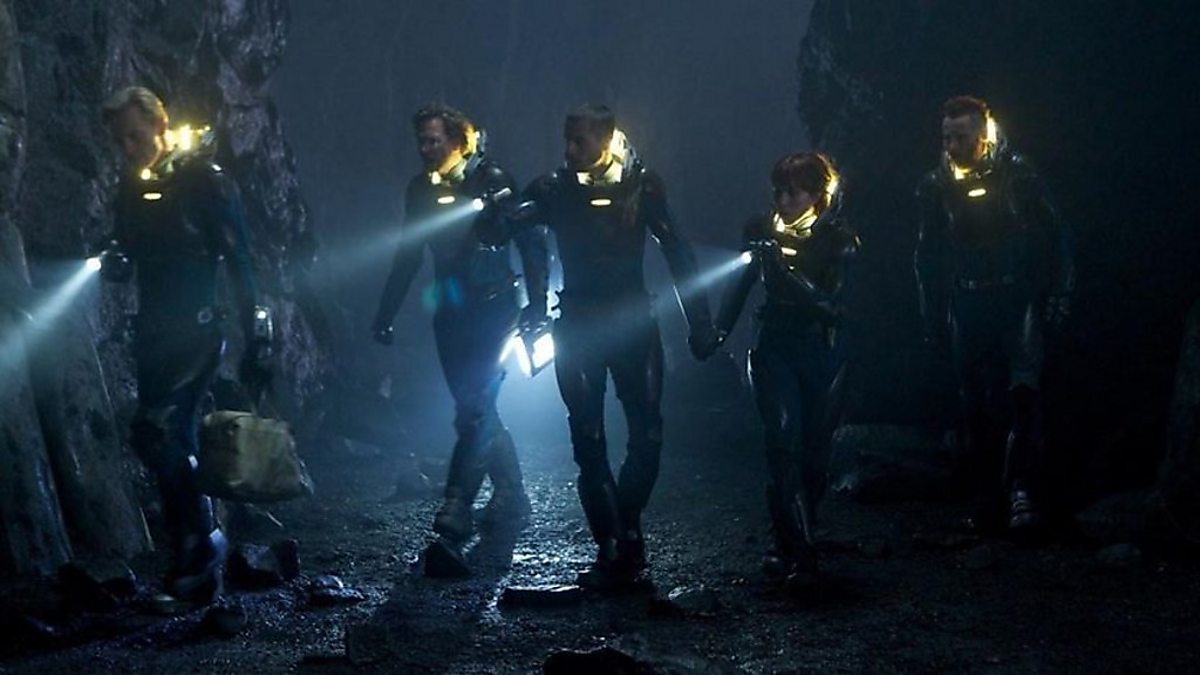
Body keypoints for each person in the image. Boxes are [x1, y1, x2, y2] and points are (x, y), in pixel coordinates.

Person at [513, 104, 716, 590]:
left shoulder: (643, 187)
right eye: (566, 140)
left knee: (648, 435)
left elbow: (678, 251)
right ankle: (613, 546)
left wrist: (700, 323)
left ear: (606, 140)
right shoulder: (553, 189)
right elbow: (514, 232)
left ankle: (624, 530)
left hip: (633, 324)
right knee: (589, 441)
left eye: (579, 141)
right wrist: (534, 299)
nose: (568, 150)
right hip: (579, 327)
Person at [99, 86, 271, 605]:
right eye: (120, 140)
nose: (129, 148)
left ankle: (200, 549)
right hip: (153, 333)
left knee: (164, 431)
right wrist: (115, 260)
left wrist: (259, 336)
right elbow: (124, 246)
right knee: (155, 438)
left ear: (159, 124)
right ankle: (197, 550)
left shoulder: (204, 181)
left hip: (197, 332)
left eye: (135, 136)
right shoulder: (133, 186)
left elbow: (241, 261)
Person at [371, 103, 549, 576]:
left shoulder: (491, 179)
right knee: (474, 408)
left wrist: (537, 308)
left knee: (474, 409)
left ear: (457, 140)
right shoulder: (420, 190)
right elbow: (409, 254)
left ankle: (455, 513)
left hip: (495, 310)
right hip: (451, 313)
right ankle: (511, 492)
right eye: (421, 141)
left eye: (433, 140)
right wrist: (385, 313)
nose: (425, 149)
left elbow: (531, 242)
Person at [914, 95, 1074, 535]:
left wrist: (1061, 291)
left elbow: (1057, 233)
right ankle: (987, 495)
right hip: (968, 302)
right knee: (974, 406)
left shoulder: (1018, 174)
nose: (952, 146)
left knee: (1023, 395)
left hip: (1015, 298)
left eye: (961, 136)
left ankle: (1021, 490)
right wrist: (931, 314)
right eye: (947, 137)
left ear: (982, 136)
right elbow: (925, 254)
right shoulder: (936, 186)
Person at [697, 152, 858, 582]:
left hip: (822, 350)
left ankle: (792, 538)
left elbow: (830, 306)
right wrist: (718, 332)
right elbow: (740, 283)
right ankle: (802, 555)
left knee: (815, 456)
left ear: (816, 195)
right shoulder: (760, 230)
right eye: (778, 191)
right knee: (783, 445)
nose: (783, 200)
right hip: (775, 347)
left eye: (793, 192)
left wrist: (782, 271)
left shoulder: (839, 241)